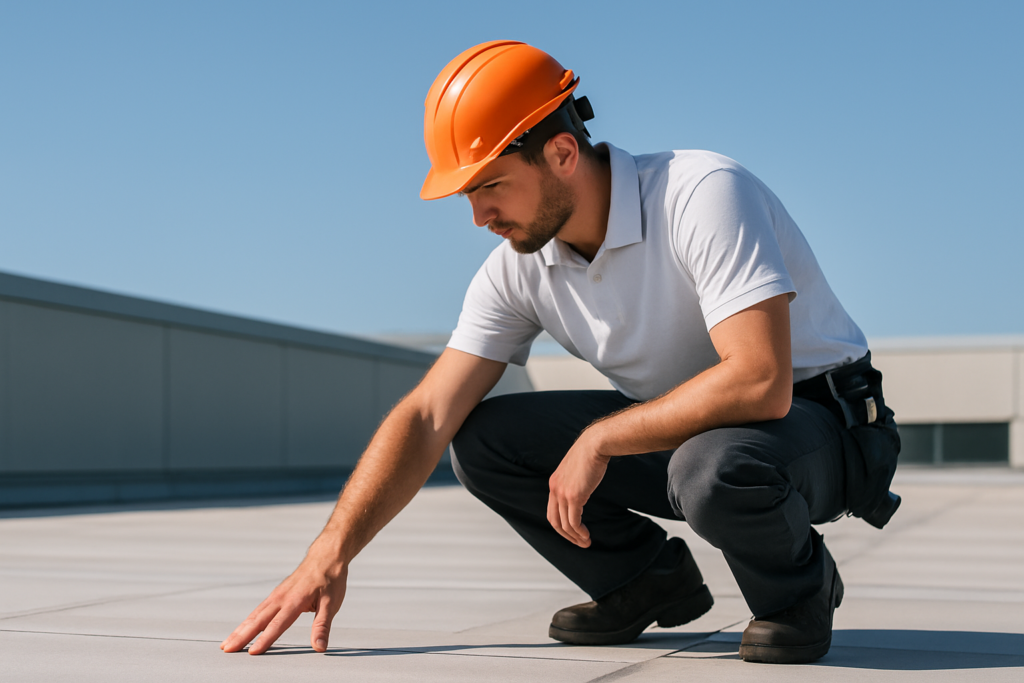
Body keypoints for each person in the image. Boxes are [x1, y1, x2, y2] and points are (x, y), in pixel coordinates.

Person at [221, 40, 900, 665]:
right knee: (483, 437)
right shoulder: (519, 268)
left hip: (822, 426)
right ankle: (643, 580)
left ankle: (798, 589)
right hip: (691, 432)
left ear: (562, 154)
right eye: (469, 194)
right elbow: (430, 412)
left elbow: (760, 381)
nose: (478, 216)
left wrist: (601, 440)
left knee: (709, 466)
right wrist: (330, 551)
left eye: (489, 185)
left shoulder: (701, 194)